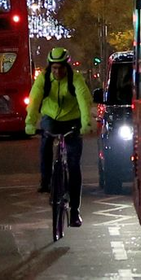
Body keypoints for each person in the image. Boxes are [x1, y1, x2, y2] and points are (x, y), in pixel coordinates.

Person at [25, 47, 93, 228]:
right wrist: (30, 123)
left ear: (67, 67)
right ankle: (45, 179)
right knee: (46, 140)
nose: (57, 71)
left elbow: (84, 102)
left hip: (72, 120)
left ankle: (75, 211)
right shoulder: (44, 79)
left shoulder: (75, 79)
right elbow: (34, 100)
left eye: (61, 68)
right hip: (51, 118)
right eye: (54, 68)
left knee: (73, 164)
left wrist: (86, 124)